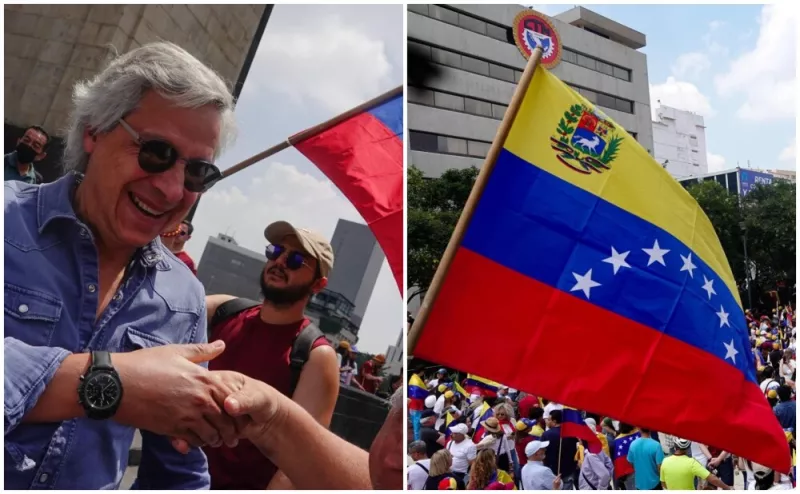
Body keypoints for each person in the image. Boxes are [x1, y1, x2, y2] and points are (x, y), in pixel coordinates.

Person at [4, 42, 240, 489]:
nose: (172, 190)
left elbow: (179, 472)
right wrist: (110, 384)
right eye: (155, 152)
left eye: (197, 173)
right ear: (94, 130)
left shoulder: (184, 299)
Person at [204, 221, 340, 489]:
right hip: (170, 474)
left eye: (296, 259)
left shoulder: (315, 355)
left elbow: (301, 455)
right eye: (276, 251)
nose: (279, 261)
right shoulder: (222, 309)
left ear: (318, 284)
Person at [659, 438, 731, 490]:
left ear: (675, 446)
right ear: (688, 448)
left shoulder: (665, 461)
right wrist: (726, 487)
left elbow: (663, 483)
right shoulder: (692, 463)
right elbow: (712, 479)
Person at [541, 410, 579, 489]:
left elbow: (542, 451)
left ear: (554, 421)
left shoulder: (546, 434)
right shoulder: (572, 433)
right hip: (569, 468)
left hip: (552, 470)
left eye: (548, 419)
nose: (547, 421)